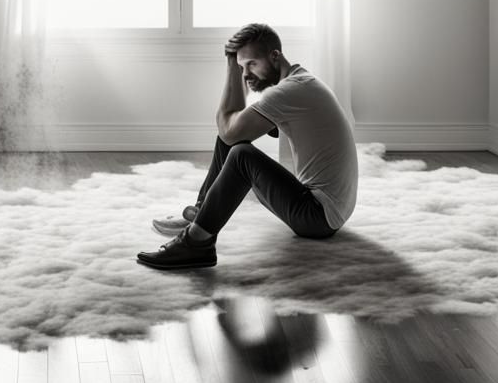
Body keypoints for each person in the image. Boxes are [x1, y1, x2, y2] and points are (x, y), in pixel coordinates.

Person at [137, 23, 358, 270]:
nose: (245, 74)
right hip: (327, 210)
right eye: (241, 67)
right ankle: (201, 217)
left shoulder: (288, 92)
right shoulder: (300, 82)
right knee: (232, 139)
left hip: (319, 217)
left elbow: (230, 130)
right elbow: (232, 130)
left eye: (251, 63)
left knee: (240, 152)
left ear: (275, 56)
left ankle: (197, 242)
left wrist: (230, 69)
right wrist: (237, 68)